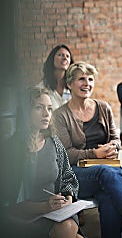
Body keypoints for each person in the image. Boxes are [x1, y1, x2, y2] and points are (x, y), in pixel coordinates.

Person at [53, 62, 122, 238]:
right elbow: (66, 153)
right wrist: (94, 154)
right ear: (69, 83)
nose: (87, 83)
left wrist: (112, 148)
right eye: (81, 79)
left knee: (109, 195)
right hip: (76, 175)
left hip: (105, 171)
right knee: (107, 173)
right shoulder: (60, 115)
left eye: (90, 79)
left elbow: (116, 139)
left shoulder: (103, 107)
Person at [8, 87, 81, 238]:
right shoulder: (11, 148)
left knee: (67, 227)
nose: (46, 114)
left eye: (49, 108)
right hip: (25, 217)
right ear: (26, 112)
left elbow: (68, 176)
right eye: (38, 108)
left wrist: (67, 198)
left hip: (56, 212)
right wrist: (44, 207)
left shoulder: (54, 142)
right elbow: (8, 203)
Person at [37, 44, 74, 110]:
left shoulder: (73, 86)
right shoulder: (41, 88)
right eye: (60, 55)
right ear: (52, 59)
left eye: (67, 56)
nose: (65, 58)